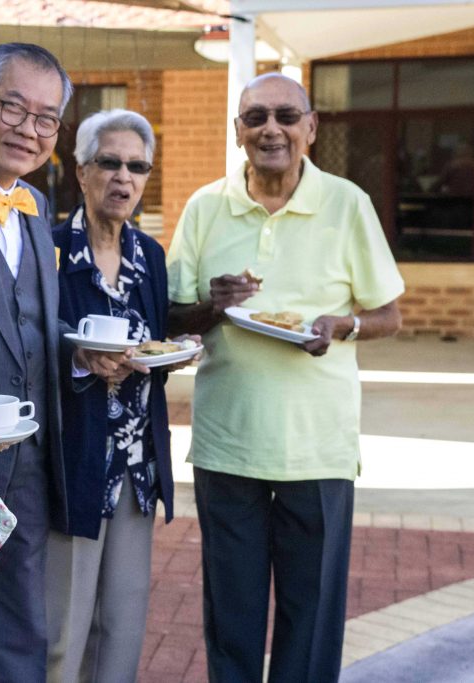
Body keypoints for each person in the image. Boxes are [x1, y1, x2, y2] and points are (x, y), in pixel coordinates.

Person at [166, 72, 404, 682]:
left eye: (286, 116)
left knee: (312, 616)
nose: (271, 128)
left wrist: (343, 325)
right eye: (256, 118)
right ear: (238, 131)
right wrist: (211, 306)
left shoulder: (348, 203)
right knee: (232, 615)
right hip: (228, 443)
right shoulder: (205, 206)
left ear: (311, 127)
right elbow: (170, 317)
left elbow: (389, 314)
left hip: (317, 448)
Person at [0, 42, 121, 682]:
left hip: (30, 463)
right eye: (14, 107)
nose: (28, 129)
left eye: (46, 119)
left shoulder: (37, 215)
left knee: (20, 631)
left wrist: (80, 355)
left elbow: (31, 329)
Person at [46, 109, 198, 683]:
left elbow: (151, 348)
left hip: (137, 470)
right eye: (109, 163)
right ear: (80, 171)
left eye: (137, 167)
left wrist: (175, 350)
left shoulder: (150, 257)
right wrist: (79, 359)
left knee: (123, 628)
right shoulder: (50, 250)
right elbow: (31, 347)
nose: (123, 178)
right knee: (64, 631)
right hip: (76, 462)